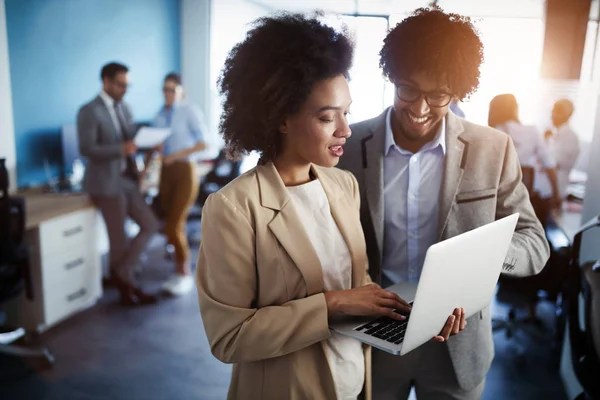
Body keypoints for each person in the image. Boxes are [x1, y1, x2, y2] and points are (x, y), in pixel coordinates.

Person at [194, 13, 463, 400]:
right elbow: (230, 338)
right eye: (326, 117)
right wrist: (332, 304)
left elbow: (361, 289)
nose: (345, 131)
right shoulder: (234, 209)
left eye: (346, 113)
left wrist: (417, 317)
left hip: (354, 381)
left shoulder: (342, 185)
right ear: (281, 118)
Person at [337, 7, 549, 399]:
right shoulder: (347, 147)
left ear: (458, 90)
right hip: (374, 338)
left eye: (438, 96)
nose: (419, 109)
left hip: (459, 342)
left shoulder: (494, 149)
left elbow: (535, 244)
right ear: (392, 77)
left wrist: (484, 256)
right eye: (409, 90)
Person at [77, 62, 160, 306]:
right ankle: (128, 288)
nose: (125, 89)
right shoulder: (89, 111)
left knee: (150, 224)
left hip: (126, 179)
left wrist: (149, 141)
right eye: (121, 85)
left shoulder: (124, 107)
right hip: (105, 183)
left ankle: (122, 274)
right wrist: (120, 149)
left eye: (127, 85)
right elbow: (87, 148)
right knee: (119, 240)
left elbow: (131, 135)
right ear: (106, 81)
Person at [144, 72, 207, 296]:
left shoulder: (189, 111)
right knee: (167, 223)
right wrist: (145, 168)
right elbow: (153, 143)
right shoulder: (160, 114)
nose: (168, 94)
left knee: (174, 224)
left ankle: (184, 274)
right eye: (165, 90)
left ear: (181, 90)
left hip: (184, 170)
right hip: (165, 173)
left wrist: (174, 155)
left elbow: (203, 144)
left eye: (172, 89)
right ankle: (178, 270)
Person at [488, 93, 562, 225]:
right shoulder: (532, 131)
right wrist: (556, 194)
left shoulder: (492, 133)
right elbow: (549, 165)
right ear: (515, 109)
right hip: (530, 198)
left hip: (499, 199)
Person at [539, 99, 580, 200]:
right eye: (553, 111)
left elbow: (551, 163)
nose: (553, 115)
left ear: (568, 115)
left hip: (554, 192)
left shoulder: (570, 137)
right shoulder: (554, 135)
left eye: (558, 112)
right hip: (545, 190)